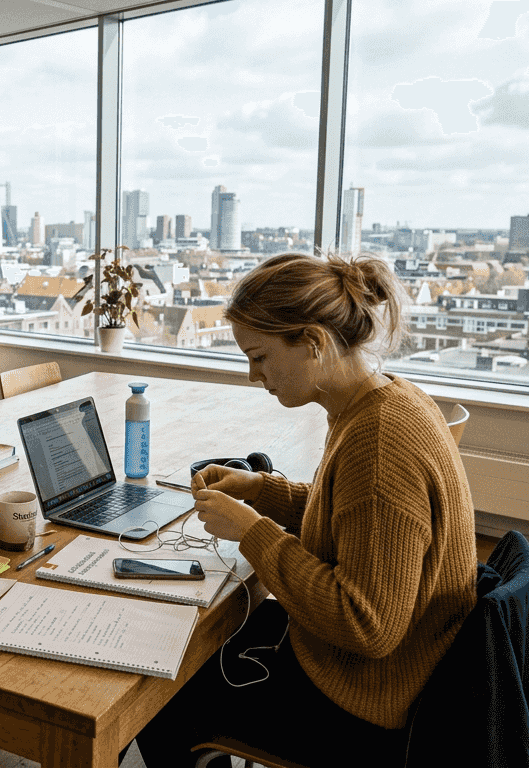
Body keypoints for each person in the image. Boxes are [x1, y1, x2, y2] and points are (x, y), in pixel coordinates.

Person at [131, 252, 477, 766]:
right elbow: (353, 520)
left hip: (363, 707)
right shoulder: (383, 400)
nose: (253, 375)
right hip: (385, 672)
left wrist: (253, 531)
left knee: (158, 689)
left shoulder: (379, 444)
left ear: (313, 344)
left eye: (261, 357)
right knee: (191, 641)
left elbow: (367, 625)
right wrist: (261, 489)